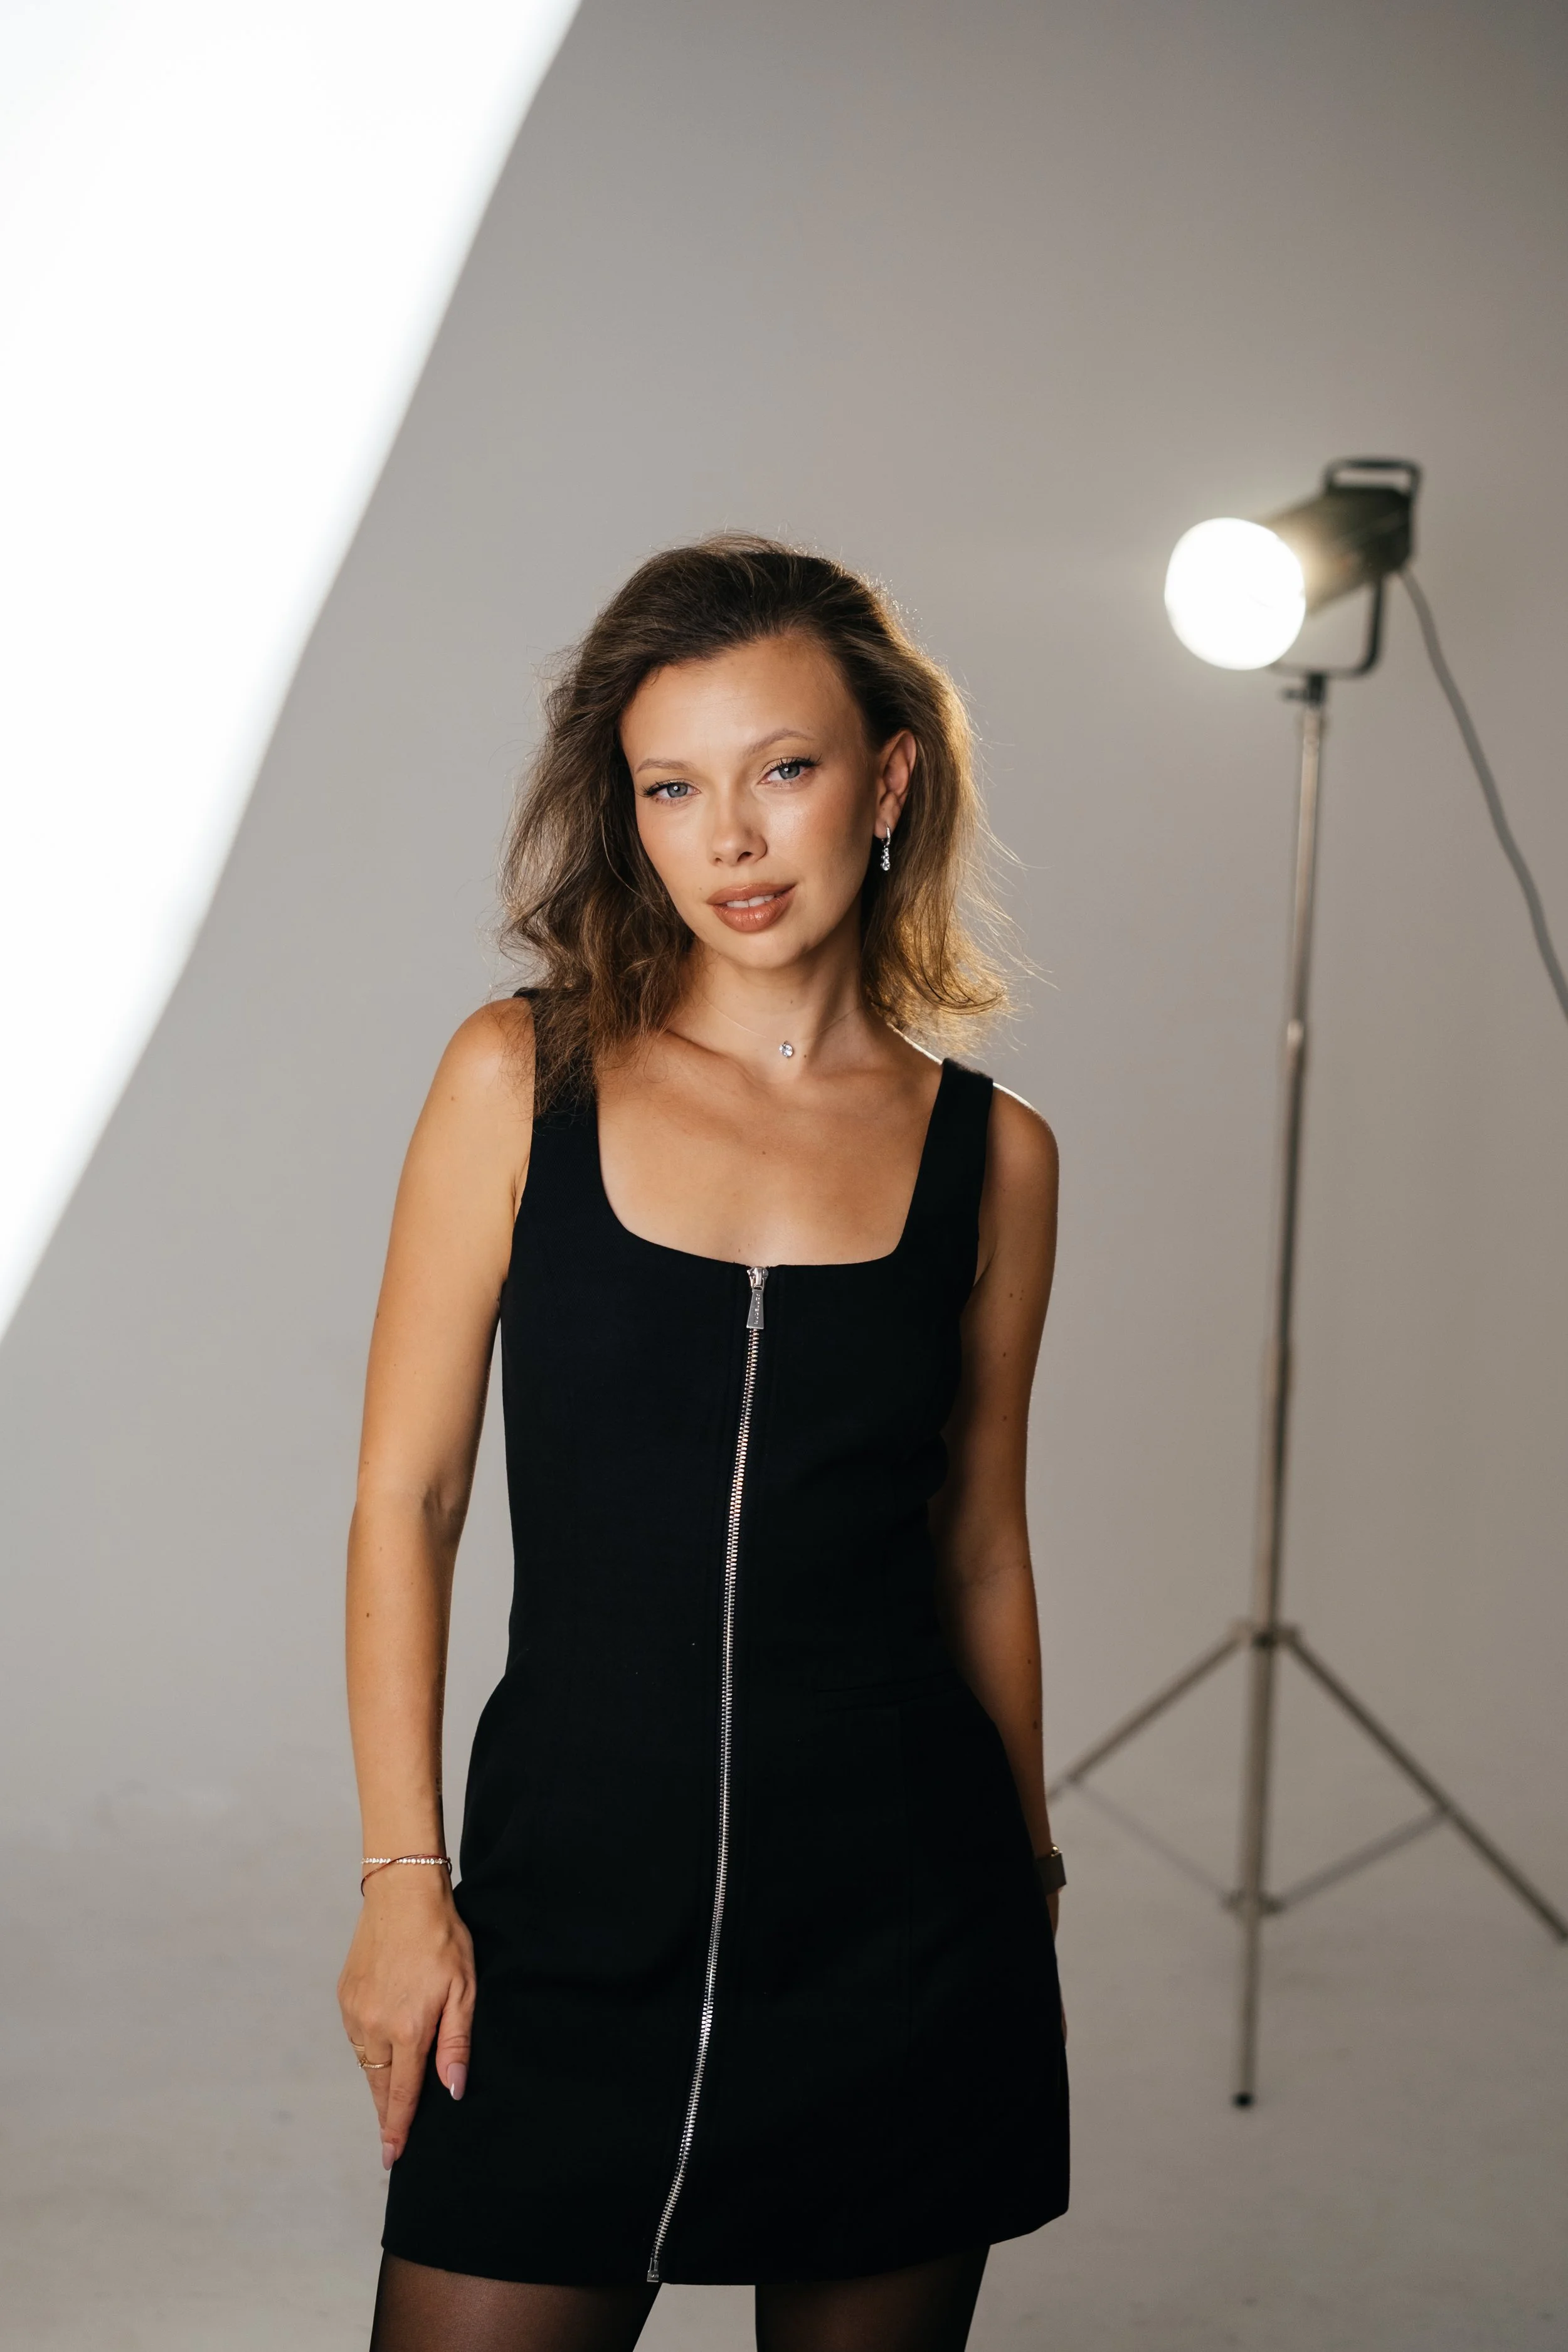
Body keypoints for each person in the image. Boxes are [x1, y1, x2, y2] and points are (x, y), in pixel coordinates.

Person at [337, 538, 1069, 2352]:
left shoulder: (998, 1157)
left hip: (903, 1930)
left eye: (784, 769)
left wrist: (1025, 1883)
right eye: (673, 786)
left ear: (887, 777)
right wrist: (401, 1881)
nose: (729, 837)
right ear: (631, 812)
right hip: (558, 1919)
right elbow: (406, 1498)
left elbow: (977, 1541)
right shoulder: (518, 1077)